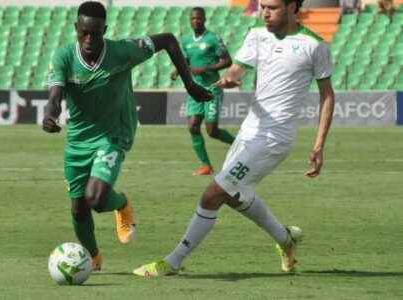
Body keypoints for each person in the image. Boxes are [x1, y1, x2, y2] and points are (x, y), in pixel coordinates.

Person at [134, 0, 335, 276]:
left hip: (275, 137)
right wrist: (229, 79)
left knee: (214, 193)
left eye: (272, 7)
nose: (264, 12)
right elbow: (236, 69)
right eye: (262, 6)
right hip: (249, 130)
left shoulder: (314, 45)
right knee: (234, 195)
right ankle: (285, 239)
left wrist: (318, 145)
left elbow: (327, 95)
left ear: (292, 7)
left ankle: (172, 262)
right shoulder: (256, 35)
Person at [42, 1, 212, 271]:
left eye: (95, 33)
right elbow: (55, 95)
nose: (88, 39)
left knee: (96, 199)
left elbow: (168, 40)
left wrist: (190, 84)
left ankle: (122, 203)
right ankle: (93, 257)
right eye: (83, 32)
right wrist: (49, 115)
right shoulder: (63, 56)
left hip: (114, 133)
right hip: (78, 139)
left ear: (104, 30)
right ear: (76, 28)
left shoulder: (122, 51)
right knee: (78, 207)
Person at [172, 7, 236, 176]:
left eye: (199, 18)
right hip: (195, 89)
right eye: (193, 19)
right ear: (190, 20)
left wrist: (206, 68)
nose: (196, 21)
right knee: (193, 126)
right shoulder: (186, 40)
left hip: (212, 88)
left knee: (212, 131)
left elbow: (227, 61)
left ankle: (239, 145)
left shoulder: (213, 38)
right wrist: (177, 69)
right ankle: (206, 165)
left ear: (204, 19)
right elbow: (185, 59)